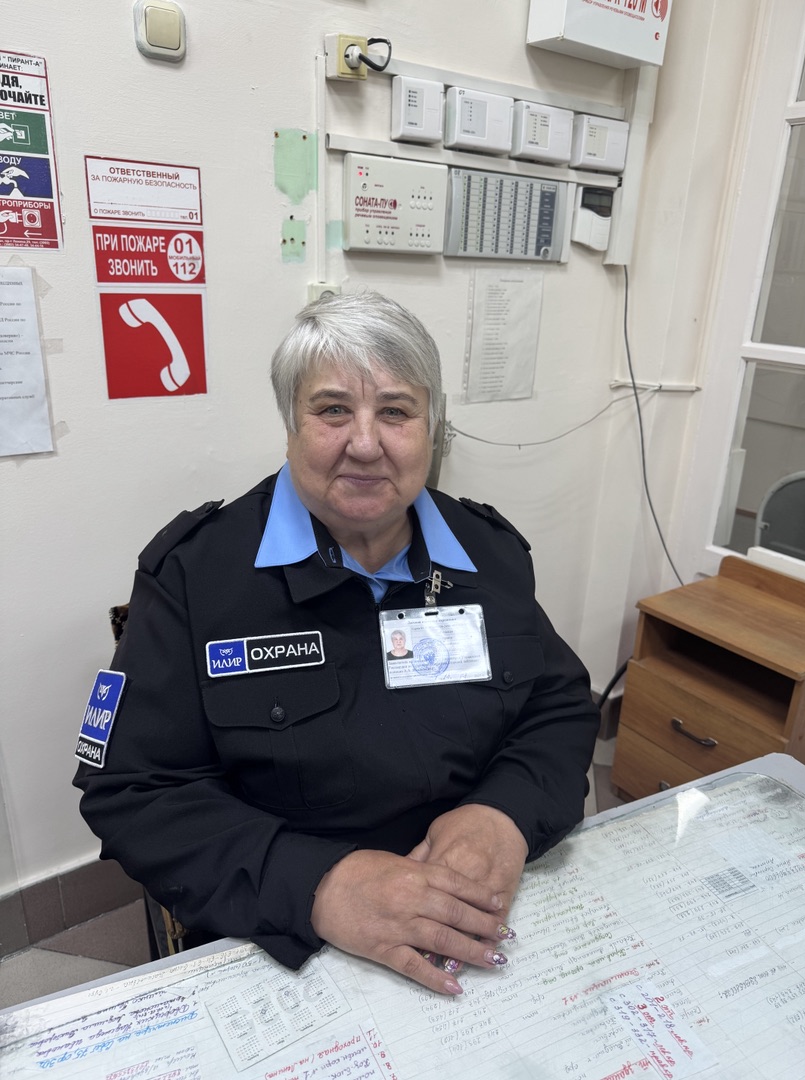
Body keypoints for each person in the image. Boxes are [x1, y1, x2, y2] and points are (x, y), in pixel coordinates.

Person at [74, 290, 600, 997]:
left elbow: (557, 707)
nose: (365, 443)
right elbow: (133, 790)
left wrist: (503, 814)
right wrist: (319, 883)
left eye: (396, 411)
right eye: (332, 410)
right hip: (282, 929)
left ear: (432, 426)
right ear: (291, 424)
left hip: (477, 906)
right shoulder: (195, 577)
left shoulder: (488, 553)